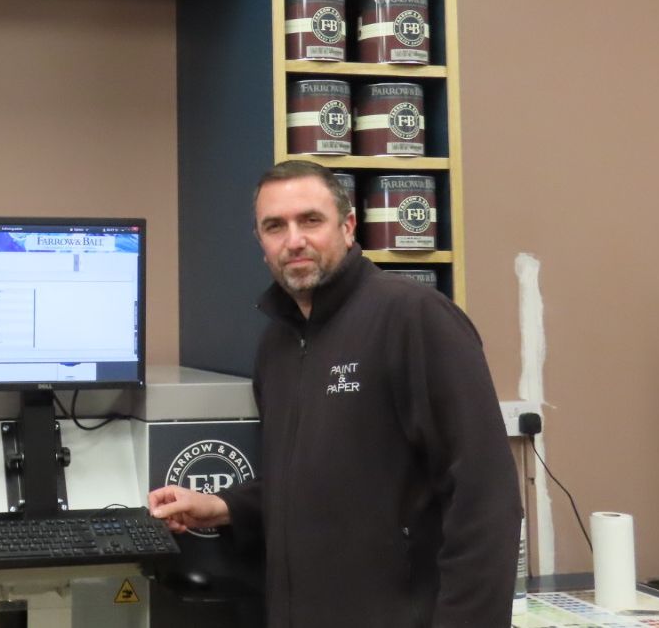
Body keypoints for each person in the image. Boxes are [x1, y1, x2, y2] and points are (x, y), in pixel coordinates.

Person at [149, 161, 521, 627]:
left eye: (310, 220)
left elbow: (486, 501)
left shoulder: (414, 317)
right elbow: (316, 485)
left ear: (348, 228)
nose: (294, 240)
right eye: (275, 226)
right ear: (261, 245)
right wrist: (223, 507)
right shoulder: (278, 344)